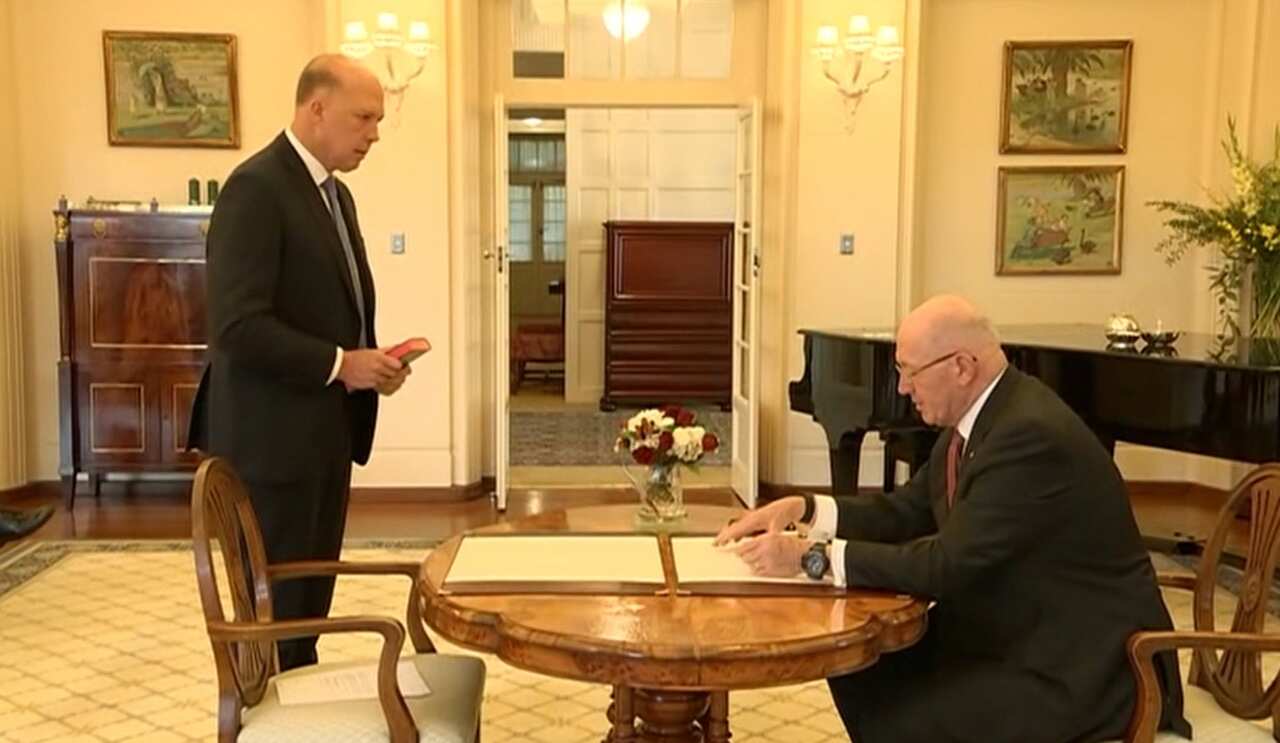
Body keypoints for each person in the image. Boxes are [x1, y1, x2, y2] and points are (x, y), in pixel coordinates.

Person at [715, 295, 1191, 743]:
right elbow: (908, 510)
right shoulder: (979, 421)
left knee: (902, 715)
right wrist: (805, 508)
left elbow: (946, 565)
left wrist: (811, 558)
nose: (902, 387)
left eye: (909, 371)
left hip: (1088, 667)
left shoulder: (1029, 435)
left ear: (962, 366)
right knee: (857, 667)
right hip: (1019, 632)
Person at [188, 54, 409, 671]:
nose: (374, 133)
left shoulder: (336, 195)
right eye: (363, 117)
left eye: (378, 120)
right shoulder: (257, 188)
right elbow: (238, 326)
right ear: (316, 108)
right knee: (275, 621)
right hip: (270, 445)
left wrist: (374, 363)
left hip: (322, 436)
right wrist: (342, 364)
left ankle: (298, 713)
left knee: (304, 617)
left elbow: (330, 310)